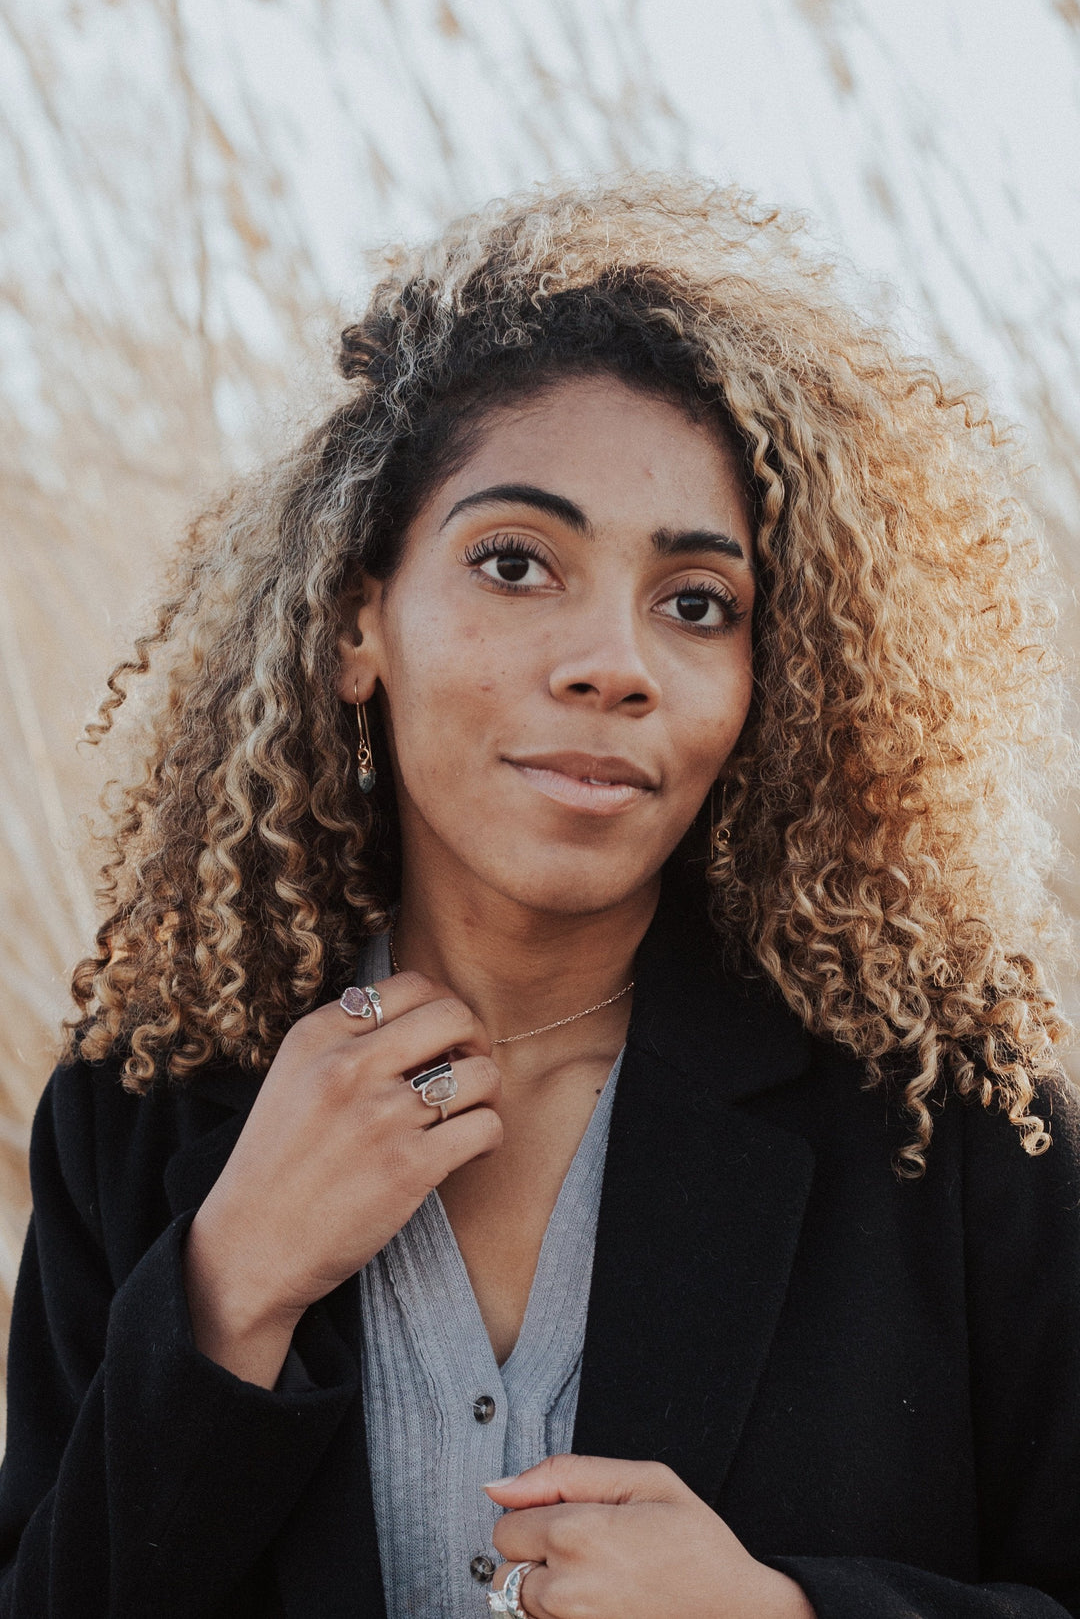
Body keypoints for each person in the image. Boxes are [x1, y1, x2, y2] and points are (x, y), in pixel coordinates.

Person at [0, 174, 1076, 1619]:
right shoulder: (146, 1117)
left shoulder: (949, 1121)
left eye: (697, 602)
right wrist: (229, 1292)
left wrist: (786, 1616)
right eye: (517, 564)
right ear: (354, 621)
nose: (613, 661)